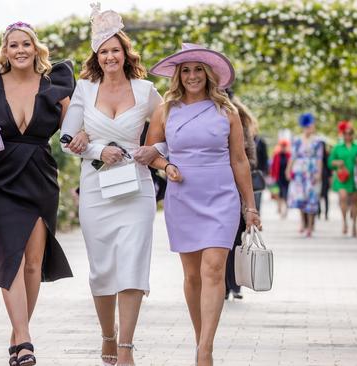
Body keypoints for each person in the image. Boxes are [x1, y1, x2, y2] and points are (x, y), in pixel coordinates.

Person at [145, 43, 260, 366]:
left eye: (198, 69)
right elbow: (150, 152)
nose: (192, 75)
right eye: (186, 70)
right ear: (178, 75)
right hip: (183, 196)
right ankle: (200, 340)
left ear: (209, 74)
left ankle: (205, 350)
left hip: (221, 195)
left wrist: (249, 207)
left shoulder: (227, 111)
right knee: (192, 276)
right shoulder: (165, 110)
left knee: (213, 269)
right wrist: (166, 167)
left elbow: (239, 160)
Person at [60, 4, 162, 365]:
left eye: (115, 50)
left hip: (137, 187)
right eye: (103, 52)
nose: (109, 57)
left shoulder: (147, 90)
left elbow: (169, 134)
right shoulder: (85, 90)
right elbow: (67, 137)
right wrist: (100, 149)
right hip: (97, 188)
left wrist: (155, 150)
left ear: (125, 53)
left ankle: (126, 348)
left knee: (132, 263)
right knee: (102, 267)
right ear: (96, 57)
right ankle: (108, 335)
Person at [0, 21, 74, 366]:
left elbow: (74, 127)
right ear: (5, 50)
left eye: (25, 44)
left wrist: (86, 137)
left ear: (35, 48)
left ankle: (18, 335)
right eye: (13, 45)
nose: (19, 50)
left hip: (40, 178)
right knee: (10, 258)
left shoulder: (54, 83)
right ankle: (26, 341)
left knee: (32, 264)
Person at [224, 94, 258, 301]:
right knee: (225, 242)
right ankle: (224, 285)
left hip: (236, 187)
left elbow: (250, 157)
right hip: (214, 185)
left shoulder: (236, 115)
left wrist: (236, 163)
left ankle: (234, 284)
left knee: (236, 238)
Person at [286, 113, 324, 237]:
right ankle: (303, 222)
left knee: (312, 198)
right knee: (301, 198)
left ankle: (311, 225)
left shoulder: (318, 141)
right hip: (299, 172)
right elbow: (293, 156)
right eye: (309, 126)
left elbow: (319, 158)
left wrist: (318, 172)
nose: (311, 128)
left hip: (312, 171)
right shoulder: (297, 140)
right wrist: (288, 169)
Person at [329, 121, 357, 237]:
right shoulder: (337, 148)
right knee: (343, 197)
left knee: (355, 201)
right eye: (346, 133)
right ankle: (344, 221)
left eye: (350, 133)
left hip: (355, 178)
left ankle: (354, 224)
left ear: (353, 135)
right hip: (342, 178)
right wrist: (337, 163)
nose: (348, 136)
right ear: (343, 134)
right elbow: (330, 163)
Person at [271, 139, 291, 218]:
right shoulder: (277, 155)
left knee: (286, 194)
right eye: (282, 146)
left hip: (286, 178)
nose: (283, 148)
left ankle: (285, 210)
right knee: (279, 194)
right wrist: (273, 176)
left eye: (284, 146)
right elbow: (273, 167)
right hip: (278, 177)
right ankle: (279, 208)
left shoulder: (289, 155)